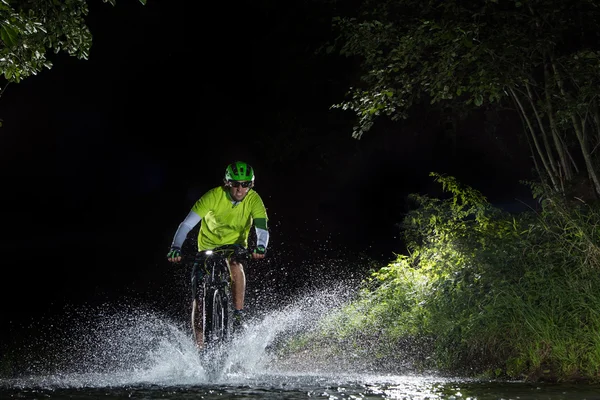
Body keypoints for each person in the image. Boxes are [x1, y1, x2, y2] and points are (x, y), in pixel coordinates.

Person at [166, 160, 269, 324]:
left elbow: (262, 228)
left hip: (234, 246)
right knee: (198, 302)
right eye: (236, 184)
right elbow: (186, 225)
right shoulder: (213, 196)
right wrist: (176, 247)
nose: (240, 189)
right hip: (207, 247)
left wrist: (261, 246)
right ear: (227, 183)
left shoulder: (254, 200)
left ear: (252, 184)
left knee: (235, 266)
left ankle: (237, 316)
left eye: (246, 184)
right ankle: (199, 349)